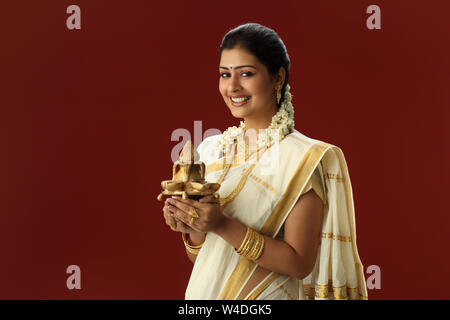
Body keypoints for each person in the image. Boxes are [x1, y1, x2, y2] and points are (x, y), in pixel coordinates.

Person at [162, 23, 368, 300]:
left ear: (278, 78)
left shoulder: (302, 158)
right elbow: (204, 259)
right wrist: (192, 227)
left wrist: (222, 224)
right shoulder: (211, 150)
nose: (232, 86)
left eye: (246, 74)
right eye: (225, 75)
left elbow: (299, 262)